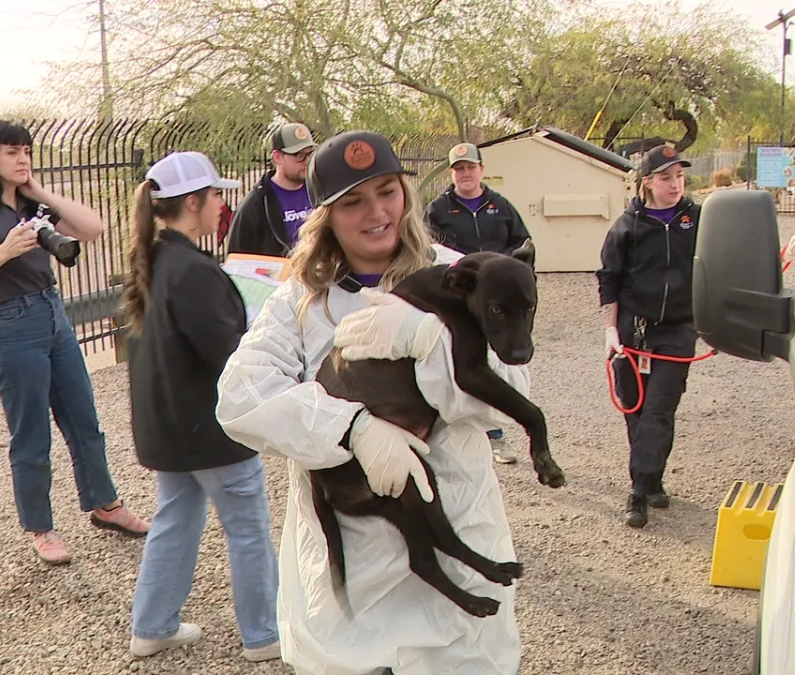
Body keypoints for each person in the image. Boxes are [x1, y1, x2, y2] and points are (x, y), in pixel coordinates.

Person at [215, 130, 525, 674]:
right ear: (326, 214)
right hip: (353, 574)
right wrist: (351, 428)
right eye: (353, 201)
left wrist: (429, 341)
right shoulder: (302, 298)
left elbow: (510, 399)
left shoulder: (464, 276)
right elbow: (240, 397)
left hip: (454, 545)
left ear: (405, 192)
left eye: (386, 191)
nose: (376, 212)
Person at [0, 120, 149, 564]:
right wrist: (4, 251)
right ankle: (41, 529)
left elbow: (93, 229)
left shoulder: (33, 203)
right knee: (31, 434)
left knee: (84, 420)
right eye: (12, 152)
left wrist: (40, 190)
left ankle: (105, 504)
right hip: (9, 323)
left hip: (52, 313)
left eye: (27, 152)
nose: (21, 160)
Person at [120, 151, 282, 662]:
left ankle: (152, 624)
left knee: (177, 517)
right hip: (209, 432)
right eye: (215, 195)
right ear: (193, 202)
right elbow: (230, 354)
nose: (221, 204)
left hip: (170, 429)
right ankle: (264, 634)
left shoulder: (160, 262)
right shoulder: (193, 269)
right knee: (248, 528)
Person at [596, 144, 701, 529]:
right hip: (633, 332)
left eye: (679, 176)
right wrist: (611, 330)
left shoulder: (697, 219)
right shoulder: (628, 226)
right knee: (636, 410)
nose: (675, 184)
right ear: (647, 183)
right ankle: (652, 478)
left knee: (659, 409)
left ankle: (637, 492)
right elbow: (609, 278)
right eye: (665, 177)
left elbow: (724, 263)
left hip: (677, 329)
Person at [424, 142, 532, 464]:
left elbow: (522, 244)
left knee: (497, 363)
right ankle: (452, 429)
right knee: (460, 361)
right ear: (452, 173)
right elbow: (431, 251)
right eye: (459, 169)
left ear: (481, 169)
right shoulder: (439, 209)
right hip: (462, 298)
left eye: (470, 167)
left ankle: (495, 434)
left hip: (497, 300)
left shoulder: (500, 206)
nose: (465, 173)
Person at [224, 122, 318, 256]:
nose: (307, 160)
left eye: (310, 154)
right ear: (277, 157)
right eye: (299, 155)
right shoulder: (255, 205)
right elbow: (237, 259)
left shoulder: (320, 192)